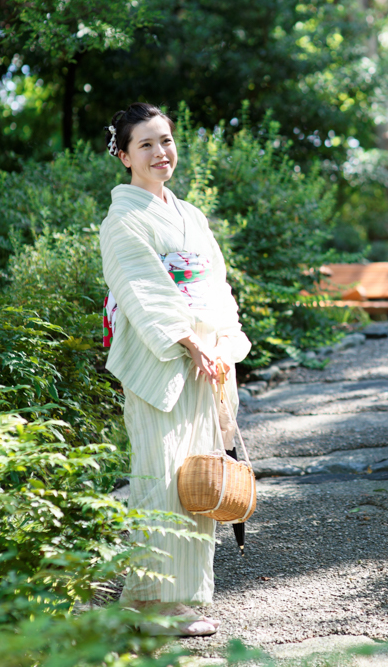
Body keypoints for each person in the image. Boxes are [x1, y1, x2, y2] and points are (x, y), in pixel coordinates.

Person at [99, 103, 251, 637]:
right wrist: (188, 341)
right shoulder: (122, 220)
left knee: (196, 478)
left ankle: (167, 598)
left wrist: (222, 343)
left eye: (166, 140)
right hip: (161, 355)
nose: (161, 152)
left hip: (206, 358)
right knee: (161, 474)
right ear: (123, 155)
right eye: (146, 144)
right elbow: (142, 289)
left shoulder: (191, 216)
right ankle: (155, 602)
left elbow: (216, 285)